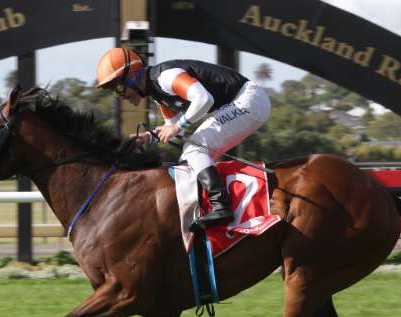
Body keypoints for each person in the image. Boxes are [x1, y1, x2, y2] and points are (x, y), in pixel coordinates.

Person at [96, 47, 271, 230]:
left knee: (194, 149)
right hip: (243, 103)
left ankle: (221, 205)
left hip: (248, 101)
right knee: (187, 158)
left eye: (118, 88)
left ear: (133, 75)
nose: (121, 96)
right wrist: (149, 137)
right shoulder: (159, 96)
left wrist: (177, 127)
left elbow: (204, 99)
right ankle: (210, 206)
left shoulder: (165, 78)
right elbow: (173, 128)